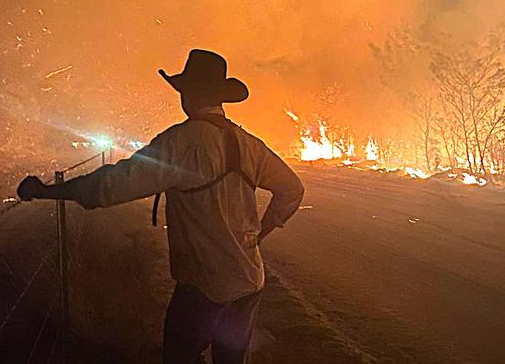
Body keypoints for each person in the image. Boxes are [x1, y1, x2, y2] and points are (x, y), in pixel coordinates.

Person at [17, 49, 305, 364]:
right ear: (220, 97)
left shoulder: (179, 143)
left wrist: (49, 191)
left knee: (179, 356)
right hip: (249, 281)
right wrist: (261, 233)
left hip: (204, 287)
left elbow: (111, 186)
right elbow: (292, 189)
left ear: (188, 95)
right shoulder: (249, 144)